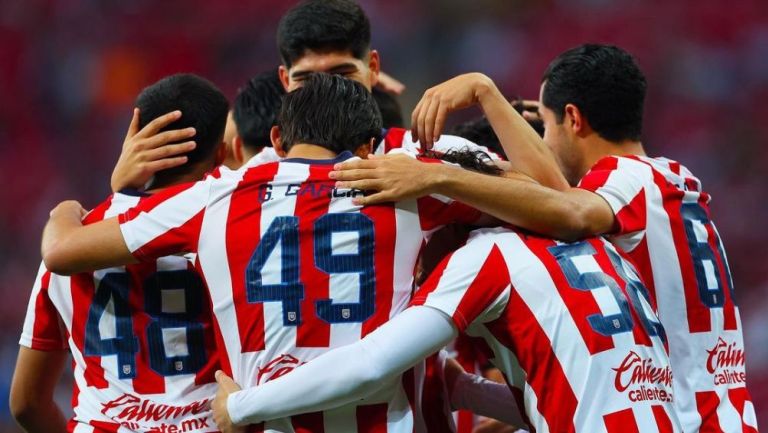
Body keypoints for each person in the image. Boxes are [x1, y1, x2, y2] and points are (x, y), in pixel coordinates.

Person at [39, 73, 517, 433]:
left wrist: (75, 206)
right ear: (370, 146)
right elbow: (552, 198)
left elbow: (62, 252)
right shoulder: (408, 184)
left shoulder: (214, 199)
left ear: (273, 141)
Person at [330, 44, 758, 433]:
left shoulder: (625, 179)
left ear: (573, 118)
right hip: (726, 414)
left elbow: (566, 210)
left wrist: (439, 168)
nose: (540, 147)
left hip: (685, 420)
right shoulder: (676, 182)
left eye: (545, 129)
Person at [208, 223, 681, 433]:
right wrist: (465, 387)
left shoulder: (486, 255)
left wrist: (244, 406)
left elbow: (371, 364)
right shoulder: (599, 247)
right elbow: (573, 397)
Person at [11, 73, 229, 432]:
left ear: (132, 138)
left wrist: (65, 210)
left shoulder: (70, 239)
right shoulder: (230, 230)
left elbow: (25, 404)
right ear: (221, 153)